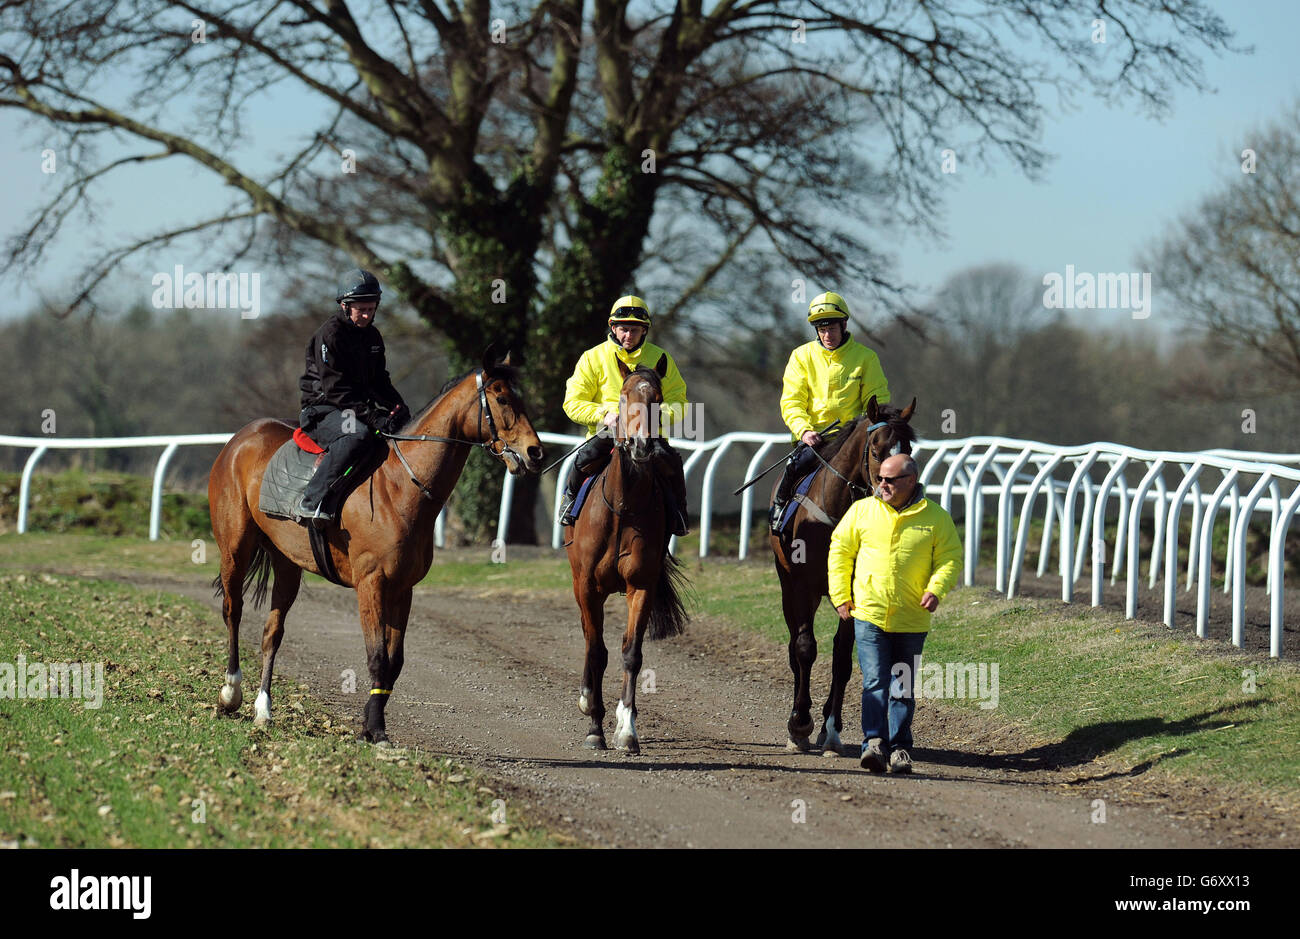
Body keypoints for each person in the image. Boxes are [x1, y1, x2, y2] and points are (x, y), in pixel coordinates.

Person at [827, 453, 962, 775]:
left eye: (889, 480)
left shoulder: (936, 517)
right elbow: (840, 551)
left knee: (902, 687)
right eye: (879, 478)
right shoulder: (861, 511)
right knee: (875, 682)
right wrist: (841, 595)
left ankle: (900, 748)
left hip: (911, 619)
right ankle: (873, 744)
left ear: (911, 481)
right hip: (869, 614)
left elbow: (950, 558)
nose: (881, 484)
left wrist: (937, 588)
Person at [559, 295, 690, 536]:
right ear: (613, 328)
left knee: (673, 462)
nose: (628, 336)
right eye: (623, 329)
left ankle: (679, 514)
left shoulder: (661, 359)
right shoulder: (592, 357)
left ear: (644, 331)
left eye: (634, 330)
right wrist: (603, 415)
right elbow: (572, 402)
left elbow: (679, 402)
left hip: (648, 434)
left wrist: (653, 416)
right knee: (582, 460)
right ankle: (569, 503)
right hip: (607, 433)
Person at [296, 268, 409, 525]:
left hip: (353, 408)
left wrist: (399, 407)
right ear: (345, 307)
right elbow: (336, 390)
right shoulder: (330, 335)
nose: (367, 315)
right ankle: (311, 500)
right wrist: (373, 417)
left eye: (372, 309)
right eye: (362, 310)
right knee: (357, 434)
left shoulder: (373, 337)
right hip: (322, 409)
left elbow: (380, 381)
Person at [771, 291, 890, 532]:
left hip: (854, 442)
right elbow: (792, 402)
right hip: (815, 441)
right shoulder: (801, 357)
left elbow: (878, 402)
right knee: (794, 467)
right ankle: (780, 511)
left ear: (844, 324)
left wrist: (864, 424)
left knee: (886, 472)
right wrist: (804, 430)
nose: (827, 335)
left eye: (831, 329)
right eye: (821, 329)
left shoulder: (866, 358)